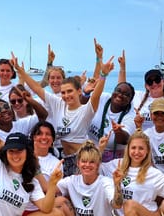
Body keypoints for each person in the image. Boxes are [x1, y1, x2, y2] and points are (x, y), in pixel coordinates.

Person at [14, 39, 113, 175]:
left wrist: (103, 74)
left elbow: (95, 94)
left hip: (83, 158)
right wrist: (21, 72)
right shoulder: (58, 103)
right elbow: (37, 88)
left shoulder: (86, 110)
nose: (66, 95)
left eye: (70, 91)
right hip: (63, 157)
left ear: (79, 91)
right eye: (63, 92)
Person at [54, 141, 125, 216]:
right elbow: (50, 193)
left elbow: (117, 205)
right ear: (78, 163)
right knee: (58, 202)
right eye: (84, 161)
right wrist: (52, 180)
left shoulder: (104, 182)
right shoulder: (72, 180)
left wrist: (117, 185)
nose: (87, 165)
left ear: (98, 165)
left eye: (92, 162)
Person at [88, 81, 136, 162]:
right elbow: (82, 103)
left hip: (112, 158)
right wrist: (85, 93)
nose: (120, 95)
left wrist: (118, 131)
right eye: (118, 91)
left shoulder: (130, 116)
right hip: (89, 150)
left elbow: (124, 140)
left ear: (130, 100)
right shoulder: (103, 98)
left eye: (126, 94)